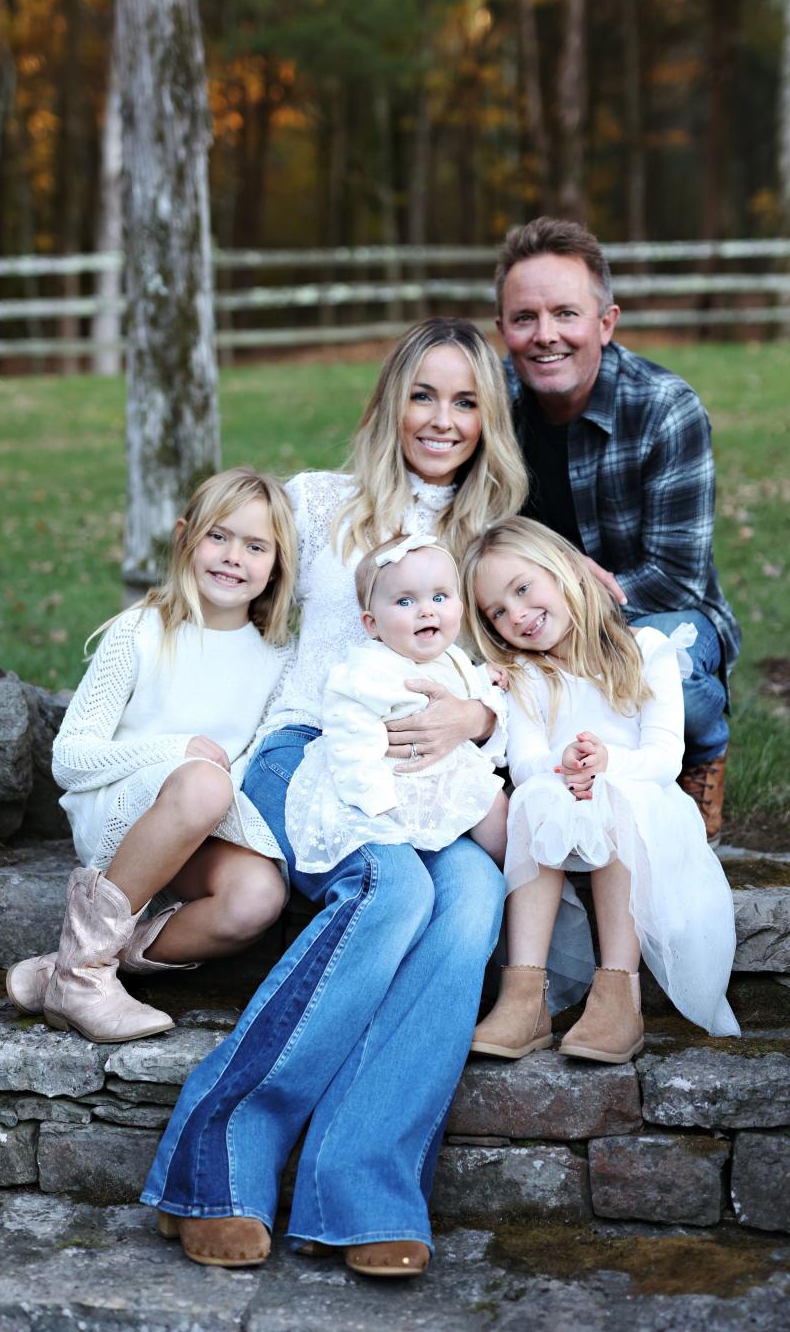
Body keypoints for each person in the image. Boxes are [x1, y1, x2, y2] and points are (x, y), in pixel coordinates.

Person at [140, 318, 528, 1278]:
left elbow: (529, 677)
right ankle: (215, 1165)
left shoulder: (494, 537)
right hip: (311, 750)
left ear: (490, 420)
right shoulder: (320, 505)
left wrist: (477, 727)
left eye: (467, 401)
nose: (442, 419)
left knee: (472, 894)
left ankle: (359, 1189)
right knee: (392, 888)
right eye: (424, 395)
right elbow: (215, 587)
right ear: (389, 400)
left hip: (434, 775)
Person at [5, 467, 297, 1044]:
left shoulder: (276, 660)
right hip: (121, 818)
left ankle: (70, 967)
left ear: (277, 565)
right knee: (206, 782)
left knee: (259, 897)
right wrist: (176, 750)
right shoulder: (141, 631)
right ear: (186, 536)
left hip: (204, 825)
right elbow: (70, 758)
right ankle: (86, 976)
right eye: (219, 536)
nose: (233, 556)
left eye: (256, 545)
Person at [494, 217, 741, 844]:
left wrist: (571, 598)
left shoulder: (664, 408)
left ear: (606, 322)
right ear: (502, 330)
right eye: (524, 318)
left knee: (671, 668)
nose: (545, 336)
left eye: (566, 314)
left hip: (652, 614)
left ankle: (703, 748)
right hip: (523, 616)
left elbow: (674, 577)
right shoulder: (486, 403)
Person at [462, 517, 740, 1067]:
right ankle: (525, 998)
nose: (516, 614)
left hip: (641, 804)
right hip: (562, 803)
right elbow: (525, 761)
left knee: (616, 798)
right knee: (533, 799)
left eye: (522, 589)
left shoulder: (646, 651)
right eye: (497, 611)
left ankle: (618, 996)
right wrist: (559, 766)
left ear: (564, 569)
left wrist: (611, 766)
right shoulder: (525, 675)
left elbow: (666, 758)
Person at [284, 533, 509, 874]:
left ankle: (517, 874)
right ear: (372, 625)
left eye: (439, 596)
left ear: (459, 609)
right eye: (406, 602)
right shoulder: (365, 672)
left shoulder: (454, 657)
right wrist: (374, 801)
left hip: (446, 774)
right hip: (392, 786)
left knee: (498, 809)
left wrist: (483, 679)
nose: (426, 610)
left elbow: (461, 688)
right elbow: (349, 740)